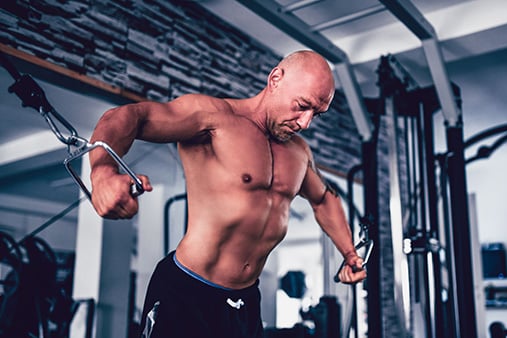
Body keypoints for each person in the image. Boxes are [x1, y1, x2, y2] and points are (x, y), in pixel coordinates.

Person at [88, 50, 367, 338]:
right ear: (275, 79)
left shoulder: (299, 152)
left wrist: (349, 253)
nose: (305, 122)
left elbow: (324, 198)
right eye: (302, 106)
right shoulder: (213, 118)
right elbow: (129, 117)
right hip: (187, 291)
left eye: (316, 115)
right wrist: (103, 172)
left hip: (246, 300)